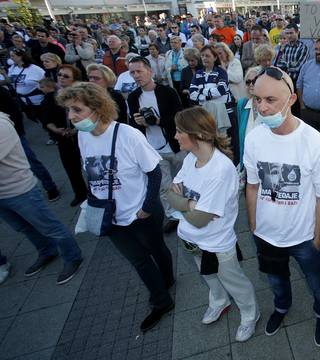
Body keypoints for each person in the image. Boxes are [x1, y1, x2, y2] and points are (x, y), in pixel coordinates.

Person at [57, 82, 175, 332]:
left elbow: (154, 172)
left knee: (158, 250)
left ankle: (168, 279)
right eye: (69, 110)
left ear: (97, 108)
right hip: (110, 217)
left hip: (141, 213)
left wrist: (146, 207)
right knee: (139, 260)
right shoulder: (82, 136)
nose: (71, 117)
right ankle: (161, 301)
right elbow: (88, 170)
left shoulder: (127, 135)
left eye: (77, 110)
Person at [244, 66, 320, 346]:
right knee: (275, 281)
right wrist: (254, 225)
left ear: (292, 100)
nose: (262, 107)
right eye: (257, 99)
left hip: (304, 237)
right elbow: (252, 185)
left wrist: (318, 239)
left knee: (318, 285)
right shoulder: (253, 138)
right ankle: (281, 308)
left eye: (271, 100)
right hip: (266, 234)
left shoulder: (315, 143)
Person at [167, 107, 259, 342]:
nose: (175, 136)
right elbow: (170, 193)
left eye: (179, 131)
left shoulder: (219, 170)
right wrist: (191, 204)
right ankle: (219, 302)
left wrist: (183, 203)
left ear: (197, 134)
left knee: (233, 280)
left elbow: (200, 219)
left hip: (217, 242)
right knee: (208, 276)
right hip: (191, 239)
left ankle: (250, 314)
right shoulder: (191, 159)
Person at [0, 112, 83, 285]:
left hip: (19, 189)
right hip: (3, 195)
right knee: (23, 227)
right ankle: (47, 251)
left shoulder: (1, 124)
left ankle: (72, 256)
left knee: (49, 226)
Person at [126, 56, 184, 236]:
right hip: (153, 149)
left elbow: (180, 117)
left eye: (139, 71)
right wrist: (138, 122)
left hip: (177, 145)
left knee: (186, 181)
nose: (136, 76)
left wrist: (159, 121)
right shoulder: (133, 97)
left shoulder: (168, 92)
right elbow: (134, 126)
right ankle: (173, 216)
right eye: (132, 72)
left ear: (150, 71)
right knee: (164, 186)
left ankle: (194, 210)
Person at [39, 66, 87, 207]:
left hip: (83, 135)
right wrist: (56, 130)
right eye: (60, 75)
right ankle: (80, 194)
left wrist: (77, 129)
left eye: (66, 76)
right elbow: (46, 118)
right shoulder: (51, 97)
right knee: (71, 168)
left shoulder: (83, 94)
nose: (61, 77)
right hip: (63, 138)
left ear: (75, 79)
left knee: (93, 166)